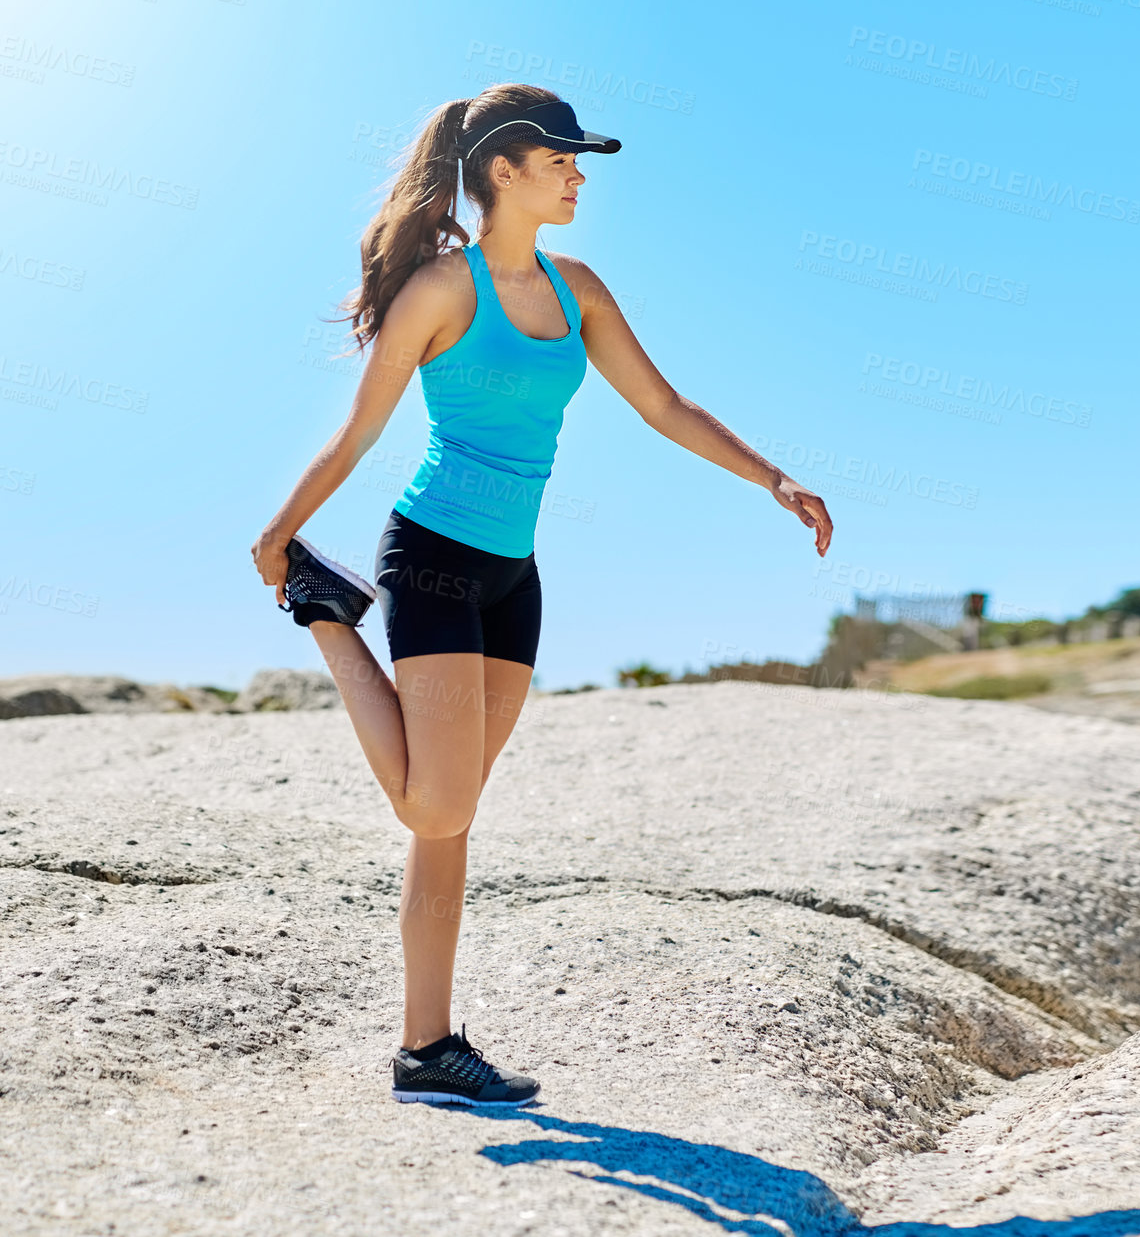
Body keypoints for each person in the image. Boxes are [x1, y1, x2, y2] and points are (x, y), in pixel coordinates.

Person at [249, 84, 834, 1107]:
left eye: (580, 161)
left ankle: (426, 1050)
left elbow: (663, 405)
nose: (578, 176)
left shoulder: (580, 291)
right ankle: (326, 611)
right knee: (440, 799)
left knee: (449, 820)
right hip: (428, 555)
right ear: (503, 170)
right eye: (561, 159)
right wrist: (274, 532)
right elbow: (358, 432)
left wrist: (772, 477)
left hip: (513, 580)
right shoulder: (440, 290)